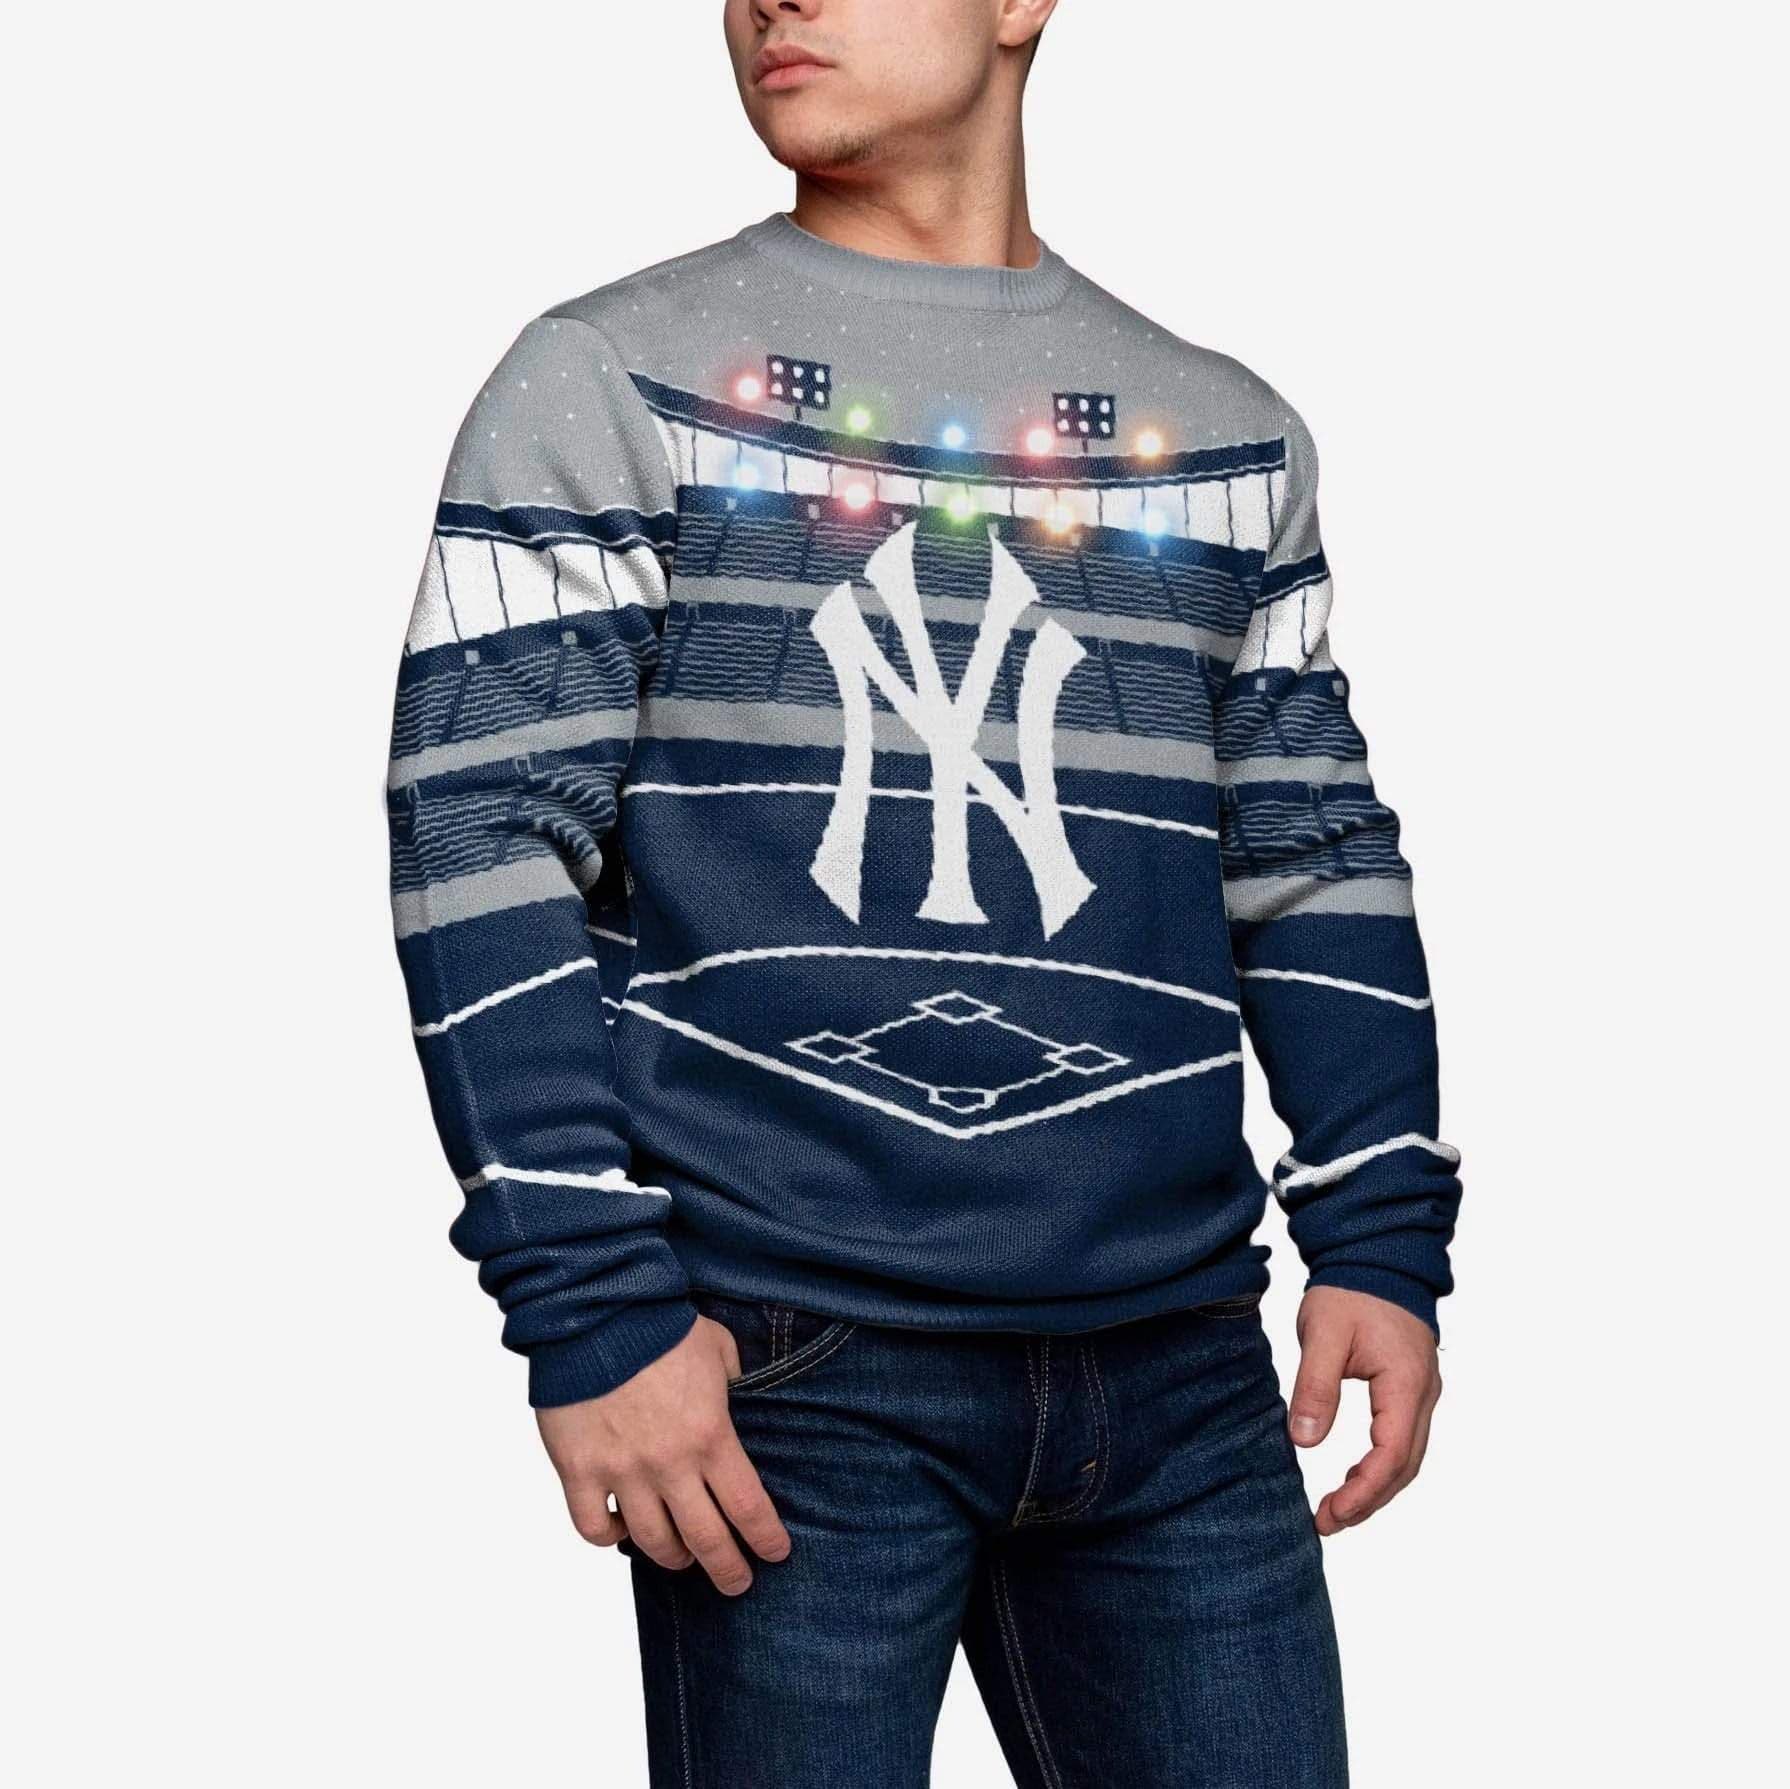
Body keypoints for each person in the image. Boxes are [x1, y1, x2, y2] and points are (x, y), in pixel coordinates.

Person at [385, 2, 1461, 1781]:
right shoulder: (609, 376)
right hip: (785, 1362)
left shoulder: (1227, 436)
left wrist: (1378, 1225)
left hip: (1183, 1366)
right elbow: (477, 836)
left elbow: (1310, 850)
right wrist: (589, 1307)